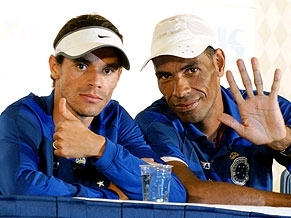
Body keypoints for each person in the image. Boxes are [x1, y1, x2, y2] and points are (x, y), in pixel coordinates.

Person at [0, 13, 186, 202]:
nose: (96, 82)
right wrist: (111, 196)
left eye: (107, 70)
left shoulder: (116, 118)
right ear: (55, 67)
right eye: (82, 66)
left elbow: (172, 193)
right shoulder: (22, 117)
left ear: (118, 76)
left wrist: (100, 148)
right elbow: (20, 188)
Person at [135, 14, 291, 206]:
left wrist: (282, 141)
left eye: (191, 70)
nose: (180, 91)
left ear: (218, 62)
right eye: (165, 76)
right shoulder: (154, 122)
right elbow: (190, 193)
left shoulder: (268, 108)